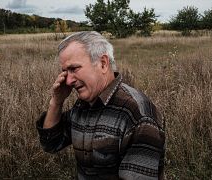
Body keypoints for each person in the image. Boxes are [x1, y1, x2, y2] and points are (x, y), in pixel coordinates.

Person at [36, 31, 165, 179]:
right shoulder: (83, 105)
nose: (68, 81)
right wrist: (56, 102)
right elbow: (51, 143)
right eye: (65, 71)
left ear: (103, 63)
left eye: (73, 69)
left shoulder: (137, 114)